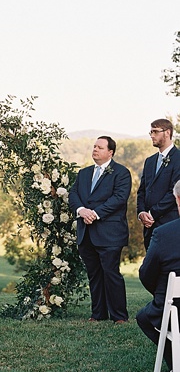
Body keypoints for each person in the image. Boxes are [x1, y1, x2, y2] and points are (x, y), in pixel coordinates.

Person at [68, 136, 131, 323]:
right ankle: (98, 314)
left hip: (110, 233)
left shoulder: (121, 173)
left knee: (111, 273)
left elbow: (119, 198)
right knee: (94, 275)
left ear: (110, 152)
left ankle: (119, 316)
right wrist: (81, 210)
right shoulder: (84, 173)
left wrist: (94, 214)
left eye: (100, 147)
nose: (95, 150)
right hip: (86, 233)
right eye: (94, 146)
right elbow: (73, 194)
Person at [136, 179, 180, 371]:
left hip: (175, 312)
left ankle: (176, 365)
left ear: (178, 200)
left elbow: (146, 274)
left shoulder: (163, 234)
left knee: (144, 317)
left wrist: (163, 295)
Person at [137, 119, 180, 249]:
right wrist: (141, 213)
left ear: (167, 132)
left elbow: (174, 192)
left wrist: (152, 214)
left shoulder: (178, 158)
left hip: (169, 223)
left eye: (155, 132)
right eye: (151, 132)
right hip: (149, 227)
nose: (152, 135)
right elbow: (142, 190)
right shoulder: (149, 161)